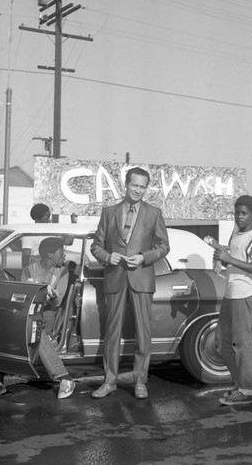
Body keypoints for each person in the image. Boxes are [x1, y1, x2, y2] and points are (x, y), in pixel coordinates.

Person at [90, 167, 170, 399]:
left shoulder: (154, 213)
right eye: (134, 185)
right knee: (112, 333)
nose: (138, 190)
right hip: (115, 278)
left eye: (142, 187)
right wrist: (107, 257)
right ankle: (110, 381)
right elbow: (97, 245)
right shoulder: (109, 212)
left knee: (143, 333)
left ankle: (140, 382)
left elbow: (164, 246)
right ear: (125, 185)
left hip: (142, 279)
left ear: (146, 189)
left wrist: (144, 257)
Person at [0, 237, 75, 399]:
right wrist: (41, 290)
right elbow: (23, 298)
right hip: (28, 315)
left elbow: (58, 302)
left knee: (32, 329)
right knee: (7, 324)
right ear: (49, 254)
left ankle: (0, 381)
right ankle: (65, 378)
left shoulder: (63, 272)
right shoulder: (29, 270)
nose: (64, 255)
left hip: (48, 317)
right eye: (61, 252)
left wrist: (48, 294)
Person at [215, 195, 252, 406]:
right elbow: (234, 263)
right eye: (237, 212)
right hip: (231, 292)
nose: (239, 216)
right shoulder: (236, 234)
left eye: (244, 213)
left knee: (242, 343)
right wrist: (221, 257)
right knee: (221, 341)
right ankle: (240, 383)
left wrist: (229, 259)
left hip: (244, 293)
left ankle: (246, 390)